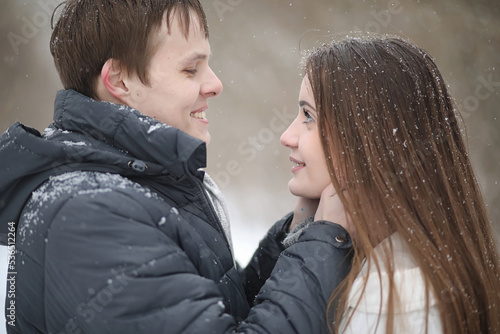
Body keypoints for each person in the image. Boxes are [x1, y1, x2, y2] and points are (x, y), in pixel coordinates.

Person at [0, 1, 353, 333]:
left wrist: (300, 231)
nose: (215, 84)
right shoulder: (91, 214)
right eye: (190, 69)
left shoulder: (135, 186)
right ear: (120, 81)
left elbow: (223, 311)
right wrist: (326, 240)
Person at [280, 35, 500, 333]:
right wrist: (306, 235)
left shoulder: (386, 305)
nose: (286, 136)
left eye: (308, 115)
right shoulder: (410, 268)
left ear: (367, 139)